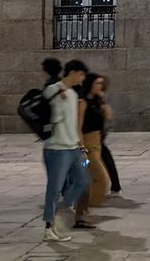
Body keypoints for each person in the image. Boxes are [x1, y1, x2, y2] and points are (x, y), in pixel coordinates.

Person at [42, 60, 91, 242]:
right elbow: (48, 105)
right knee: (54, 188)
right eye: (81, 74)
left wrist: (81, 147)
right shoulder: (53, 90)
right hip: (56, 149)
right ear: (72, 72)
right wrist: (58, 95)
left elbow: (73, 125)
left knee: (83, 179)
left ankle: (61, 210)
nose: (82, 79)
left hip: (73, 149)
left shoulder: (72, 94)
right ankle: (49, 227)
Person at [74, 73, 111, 227]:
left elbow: (108, 117)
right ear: (90, 84)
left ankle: (81, 214)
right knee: (101, 178)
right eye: (97, 83)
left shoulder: (96, 102)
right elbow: (78, 126)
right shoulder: (83, 102)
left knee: (87, 180)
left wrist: (102, 100)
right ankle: (82, 209)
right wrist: (81, 148)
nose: (100, 86)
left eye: (101, 83)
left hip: (96, 145)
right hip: (87, 148)